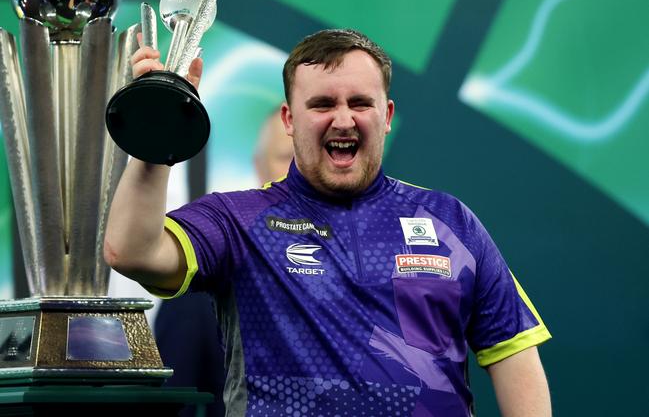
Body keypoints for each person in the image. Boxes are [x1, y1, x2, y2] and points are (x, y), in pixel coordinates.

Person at [105, 29, 552, 416]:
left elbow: (513, 355)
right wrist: (156, 127)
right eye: (322, 104)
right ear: (290, 120)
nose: (343, 119)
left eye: (360, 102)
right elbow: (132, 251)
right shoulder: (237, 220)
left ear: (387, 116)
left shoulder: (450, 221)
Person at [154, 108, 294, 417]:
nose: (299, 171)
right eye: (286, 157)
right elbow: (173, 406)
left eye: (310, 157)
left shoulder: (372, 269)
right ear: (259, 167)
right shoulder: (203, 283)